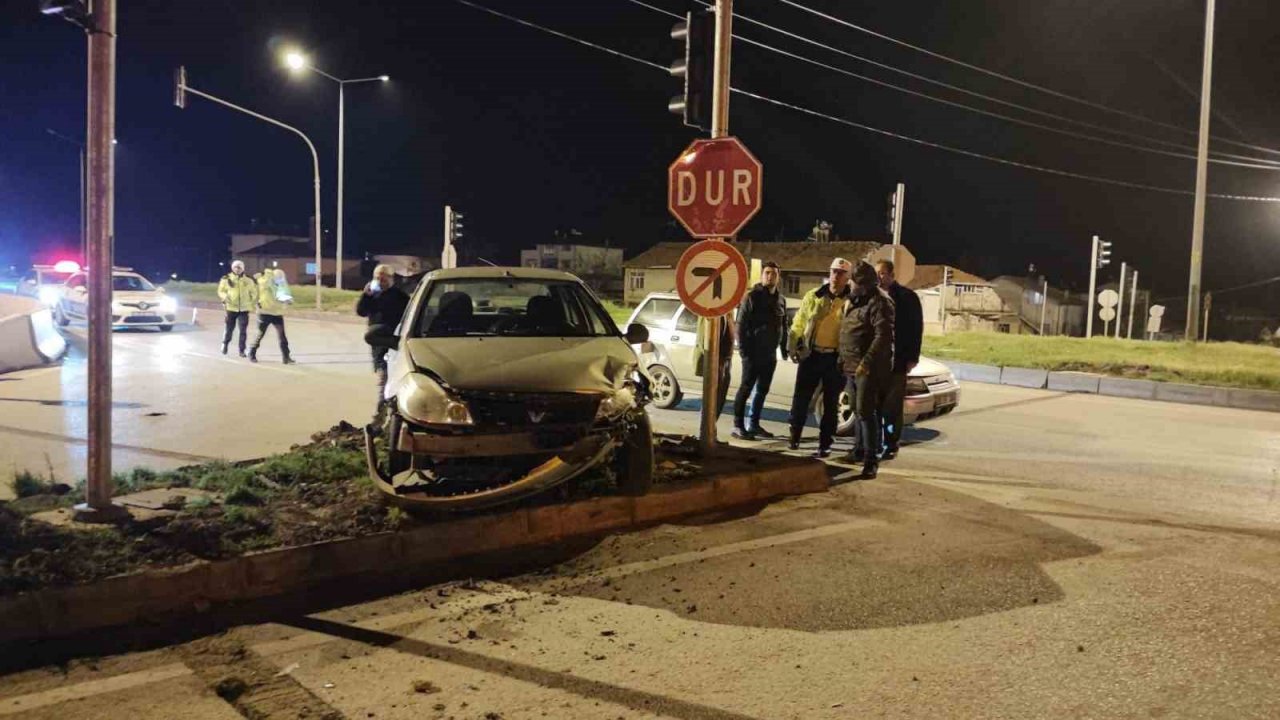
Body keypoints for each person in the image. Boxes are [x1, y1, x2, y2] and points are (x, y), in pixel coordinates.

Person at [786, 258, 852, 457]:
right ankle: (794, 436)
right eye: (834, 271)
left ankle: (825, 444)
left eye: (841, 273)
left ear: (847, 277)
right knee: (801, 399)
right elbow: (799, 322)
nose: (836, 276)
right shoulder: (814, 296)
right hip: (812, 354)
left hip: (835, 358)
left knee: (831, 404)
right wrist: (792, 345)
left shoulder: (852, 300)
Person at [839, 260, 895, 479]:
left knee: (866, 411)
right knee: (857, 409)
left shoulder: (880, 302)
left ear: (862, 284)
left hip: (868, 368)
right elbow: (847, 330)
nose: (850, 284)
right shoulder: (855, 299)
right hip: (851, 365)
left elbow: (883, 336)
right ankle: (859, 450)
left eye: (853, 281)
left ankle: (871, 461)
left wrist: (866, 362)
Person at [732, 261, 787, 440]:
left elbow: (783, 326)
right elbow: (740, 325)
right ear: (762, 275)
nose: (770, 276)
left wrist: (784, 349)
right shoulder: (752, 297)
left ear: (778, 277)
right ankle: (738, 425)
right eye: (767, 273)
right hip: (752, 353)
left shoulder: (780, 300)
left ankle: (753, 424)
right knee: (746, 388)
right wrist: (744, 352)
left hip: (770, 354)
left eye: (774, 273)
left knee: (762, 390)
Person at [876, 259, 922, 459]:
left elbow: (916, 329)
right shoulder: (872, 296)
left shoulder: (907, 297)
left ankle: (891, 443)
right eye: (876, 273)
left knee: (892, 408)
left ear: (892, 275)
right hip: (875, 362)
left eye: (882, 273)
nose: (879, 277)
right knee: (874, 407)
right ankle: (873, 444)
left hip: (897, 362)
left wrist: (912, 357)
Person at [356, 264, 410, 426]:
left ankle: (381, 419)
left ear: (391, 278)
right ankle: (387, 418)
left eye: (383, 278)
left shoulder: (400, 297)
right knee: (385, 381)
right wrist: (365, 296)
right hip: (378, 344)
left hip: (393, 345)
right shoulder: (373, 295)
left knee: (386, 382)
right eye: (377, 278)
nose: (380, 281)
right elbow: (361, 311)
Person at [248, 268, 295, 365]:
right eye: (278, 278)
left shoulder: (281, 286)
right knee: (260, 334)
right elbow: (258, 291)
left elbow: (284, 296)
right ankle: (251, 352)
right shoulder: (265, 284)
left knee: (282, 336)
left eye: (281, 278)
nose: (280, 280)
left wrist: (289, 300)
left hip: (277, 313)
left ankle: (286, 357)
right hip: (264, 313)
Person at [693, 314, 734, 418]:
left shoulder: (728, 311)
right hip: (715, 361)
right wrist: (713, 361)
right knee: (711, 400)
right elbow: (704, 341)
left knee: (719, 399)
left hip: (725, 360)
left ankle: (712, 425)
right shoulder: (711, 311)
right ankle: (706, 426)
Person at [217, 260, 257, 357]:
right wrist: (224, 297)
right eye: (235, 267)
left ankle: (241, 350)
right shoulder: (226, 279)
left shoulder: (248, 280)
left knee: (243, 330)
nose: (237, 269)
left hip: (244, 309)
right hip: (231, 308)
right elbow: (220, 291)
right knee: (229, 329)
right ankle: (225, 344)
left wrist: (252, 302)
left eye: (239, 267)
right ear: (232, 268)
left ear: (243, 268)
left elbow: (254, 292)